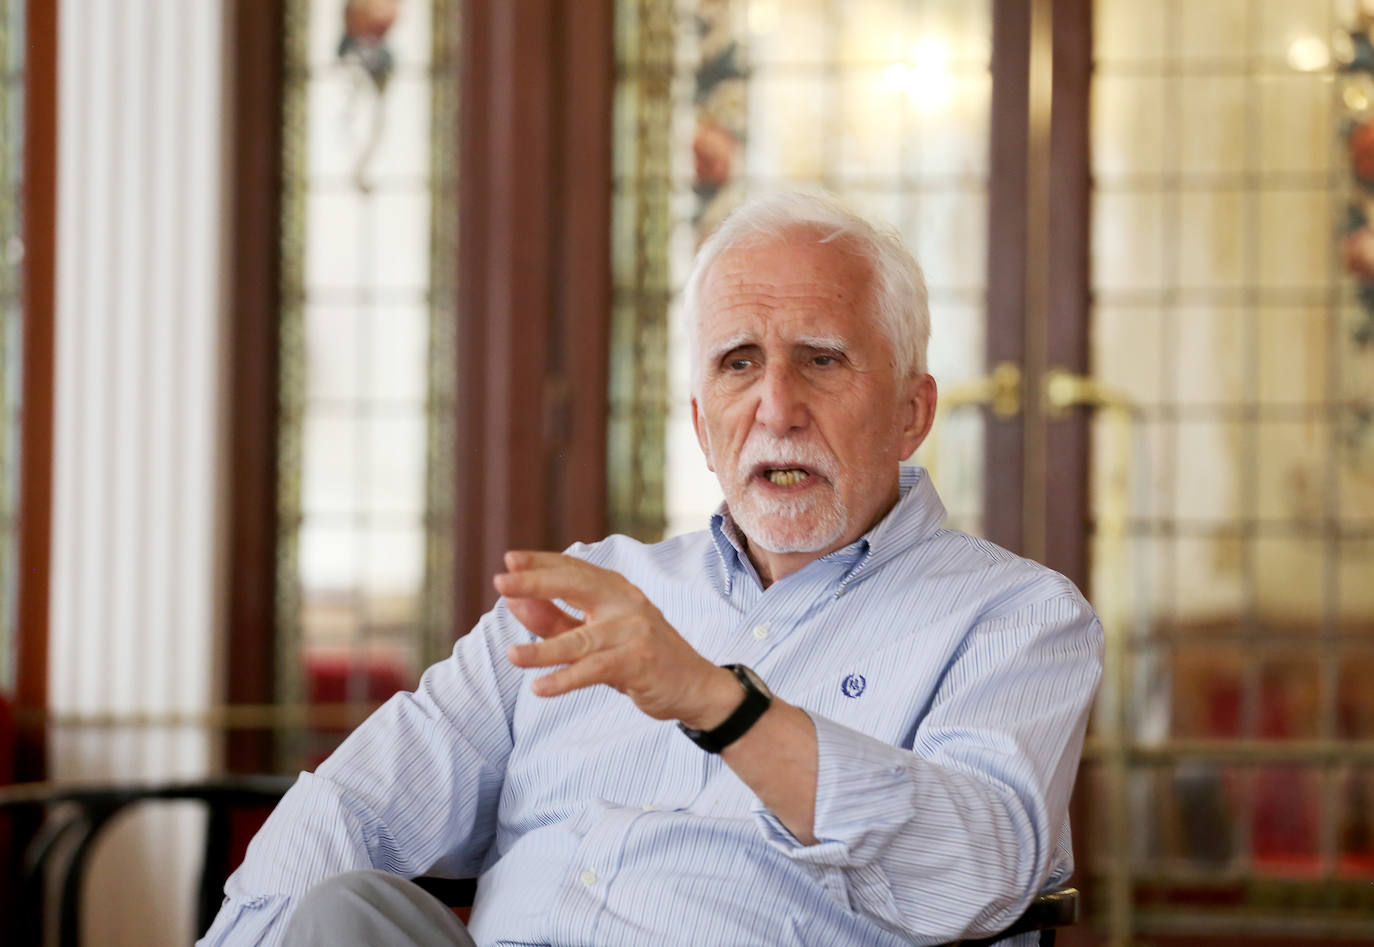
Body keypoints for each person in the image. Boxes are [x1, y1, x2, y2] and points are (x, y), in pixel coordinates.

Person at [200, 191, 1103, 947]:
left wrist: (719, 704)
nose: (776, 406)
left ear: (912, 412)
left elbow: (978, 869)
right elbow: (357, 808)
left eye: (821, 360)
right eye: (739, 363)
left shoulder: (1016, 617)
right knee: (344, 913)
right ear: (704, 421)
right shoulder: (583, 593)